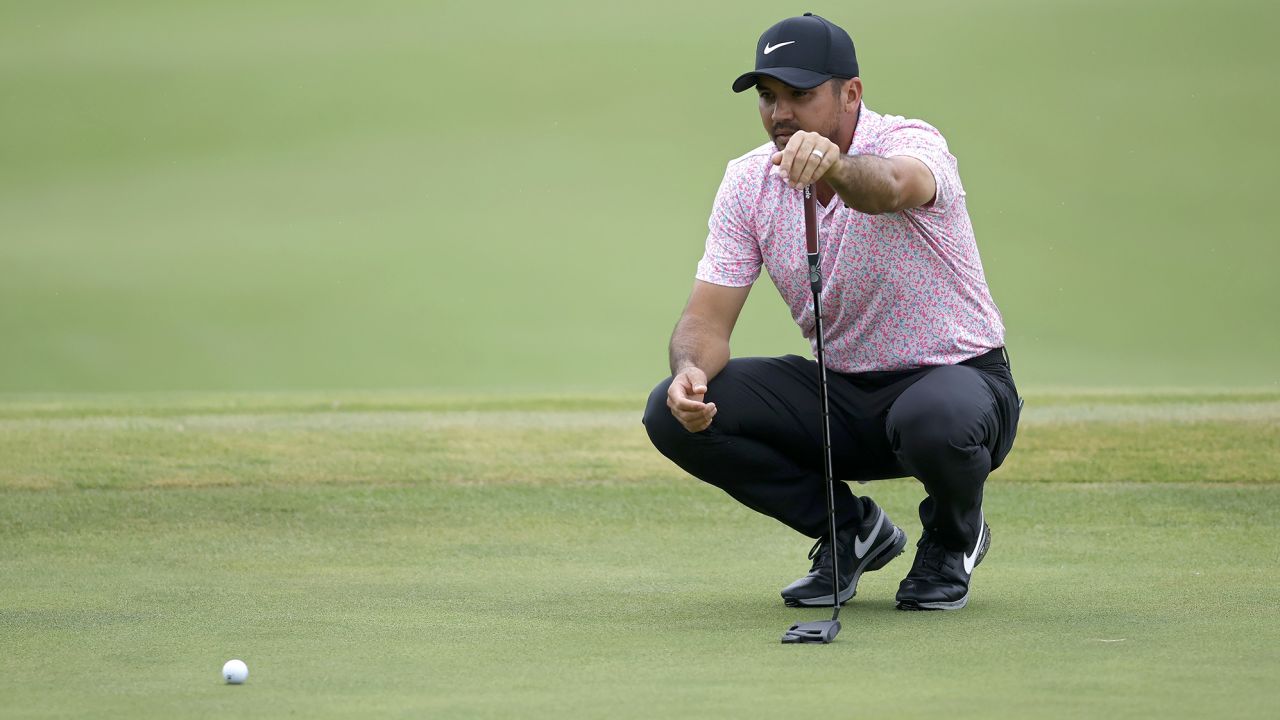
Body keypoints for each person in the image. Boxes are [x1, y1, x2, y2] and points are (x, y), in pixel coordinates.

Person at [642, 13, 1022, 611]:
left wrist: (835, 169)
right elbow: (706, 321)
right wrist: (691, 370)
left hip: (961, 387)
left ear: (851, 94)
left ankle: (953, 539)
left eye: (800, 95)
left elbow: (893, 188)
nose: (780, 113)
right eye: (769, 97)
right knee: (670, 410)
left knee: (934, 415)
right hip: (841, 395)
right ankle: (850, 530)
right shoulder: (748, 181)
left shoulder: (911, 141)